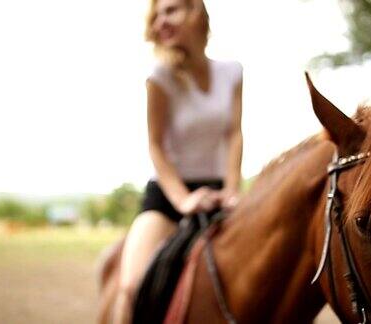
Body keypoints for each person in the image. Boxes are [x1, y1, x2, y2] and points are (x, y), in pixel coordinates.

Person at [114, 0, 243, 322]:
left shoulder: (233, 72)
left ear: (196, 11)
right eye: (156, 16)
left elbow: (233, 134)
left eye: (170, 11)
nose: (160, 22)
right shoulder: (160, 77)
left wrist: (231, 188)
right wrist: (184, 201)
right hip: (169, 196)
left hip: (219, 194)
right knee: (131, 286)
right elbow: (156, 146)